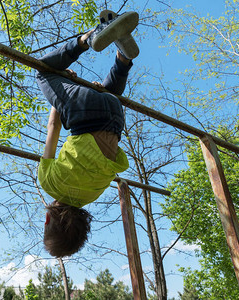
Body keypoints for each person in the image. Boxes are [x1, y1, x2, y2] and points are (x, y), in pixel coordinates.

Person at [36, 11, 139, 257]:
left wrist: (75, 92)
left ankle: (123, 58)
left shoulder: (93, 193)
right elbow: (54, 127)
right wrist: (62, 90)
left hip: (115, 117)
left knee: (106, 94)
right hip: (84, 115)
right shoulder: (48, 183)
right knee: (43, 72)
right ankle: (89, 38)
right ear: (48, 220)